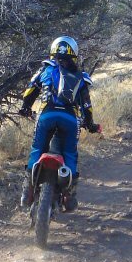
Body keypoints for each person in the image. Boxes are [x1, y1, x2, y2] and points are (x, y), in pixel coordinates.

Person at [18, 35, 100, 211]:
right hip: (70, 120)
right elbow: (87, 106)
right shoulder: (81, 77)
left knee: (37, 149)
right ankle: (69, 195)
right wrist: (91, 125)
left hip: (46, 116)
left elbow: (30, 91)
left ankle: (28, 191)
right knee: (70, 153)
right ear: (74, 53)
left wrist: (25, 108)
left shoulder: (46, 69)